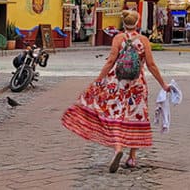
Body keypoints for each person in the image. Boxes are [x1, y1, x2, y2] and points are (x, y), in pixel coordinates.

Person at [62, 9, 171, 173]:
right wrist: (163, 84)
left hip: (117, 83)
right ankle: (132, 157)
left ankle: (118, 147)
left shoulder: (118, 39)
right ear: (137, 23)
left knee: (116, 115)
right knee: (135, 117)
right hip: (137, 85)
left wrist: (98, 80)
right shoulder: (143, 40)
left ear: (124, 23)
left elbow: (110, 61)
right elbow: (151, 65)